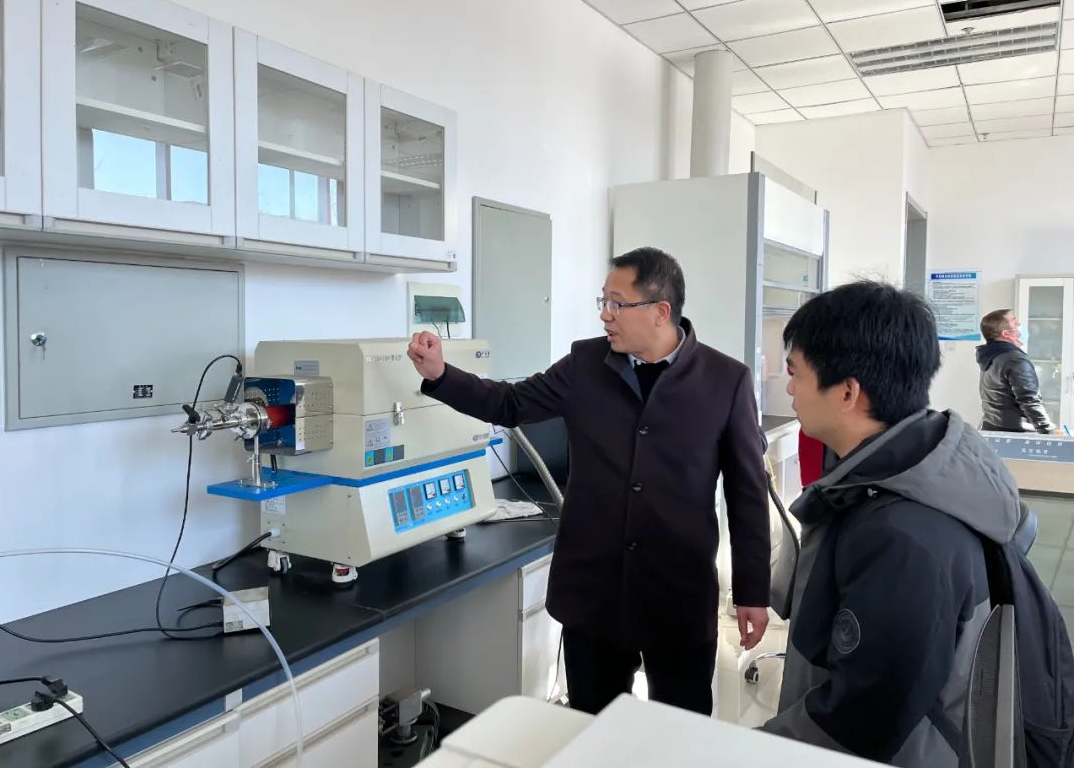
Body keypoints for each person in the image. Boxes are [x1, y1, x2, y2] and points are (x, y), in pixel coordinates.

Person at [407, 246, 771, 717]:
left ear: (661, 312)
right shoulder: (585, 364)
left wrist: (752, 591)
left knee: (680, 730)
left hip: (677, 595)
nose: (605, 314)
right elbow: (510, 404)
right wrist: (440, 375)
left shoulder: (726, 380)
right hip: (594, 595)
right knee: (590, 725)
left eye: (617, 303)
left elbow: (746, 493)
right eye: (603, 301)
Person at [760, 281, 1022, 766]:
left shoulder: (903, 535)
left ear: (847, 392)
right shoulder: (896, 477)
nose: (789, 389)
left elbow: (860, 719)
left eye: (795, 373)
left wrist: (751, 750)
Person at [977, 308, 1057, 434]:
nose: (1019, 324)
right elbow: (1029, 400)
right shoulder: (1015, 359)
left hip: (991, 426)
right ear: (1006, 334)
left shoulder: (990, 355)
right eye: (1014, 322)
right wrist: (1047, 430)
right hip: (1015, 431)